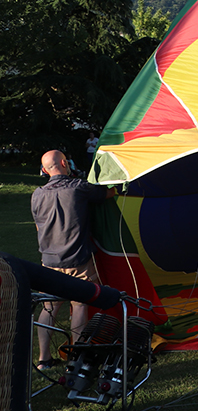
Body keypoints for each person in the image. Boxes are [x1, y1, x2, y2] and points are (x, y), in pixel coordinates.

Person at [30, 150, 117, 370]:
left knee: (49, 307)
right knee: (79, 305)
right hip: (78, 259)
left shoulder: (37, 194)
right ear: (63, 163)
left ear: (44, 170)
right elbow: (108, 193)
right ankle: (76, 358)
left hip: (49, 262)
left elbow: (38, 227)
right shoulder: (78, 187)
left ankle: (43, 359)